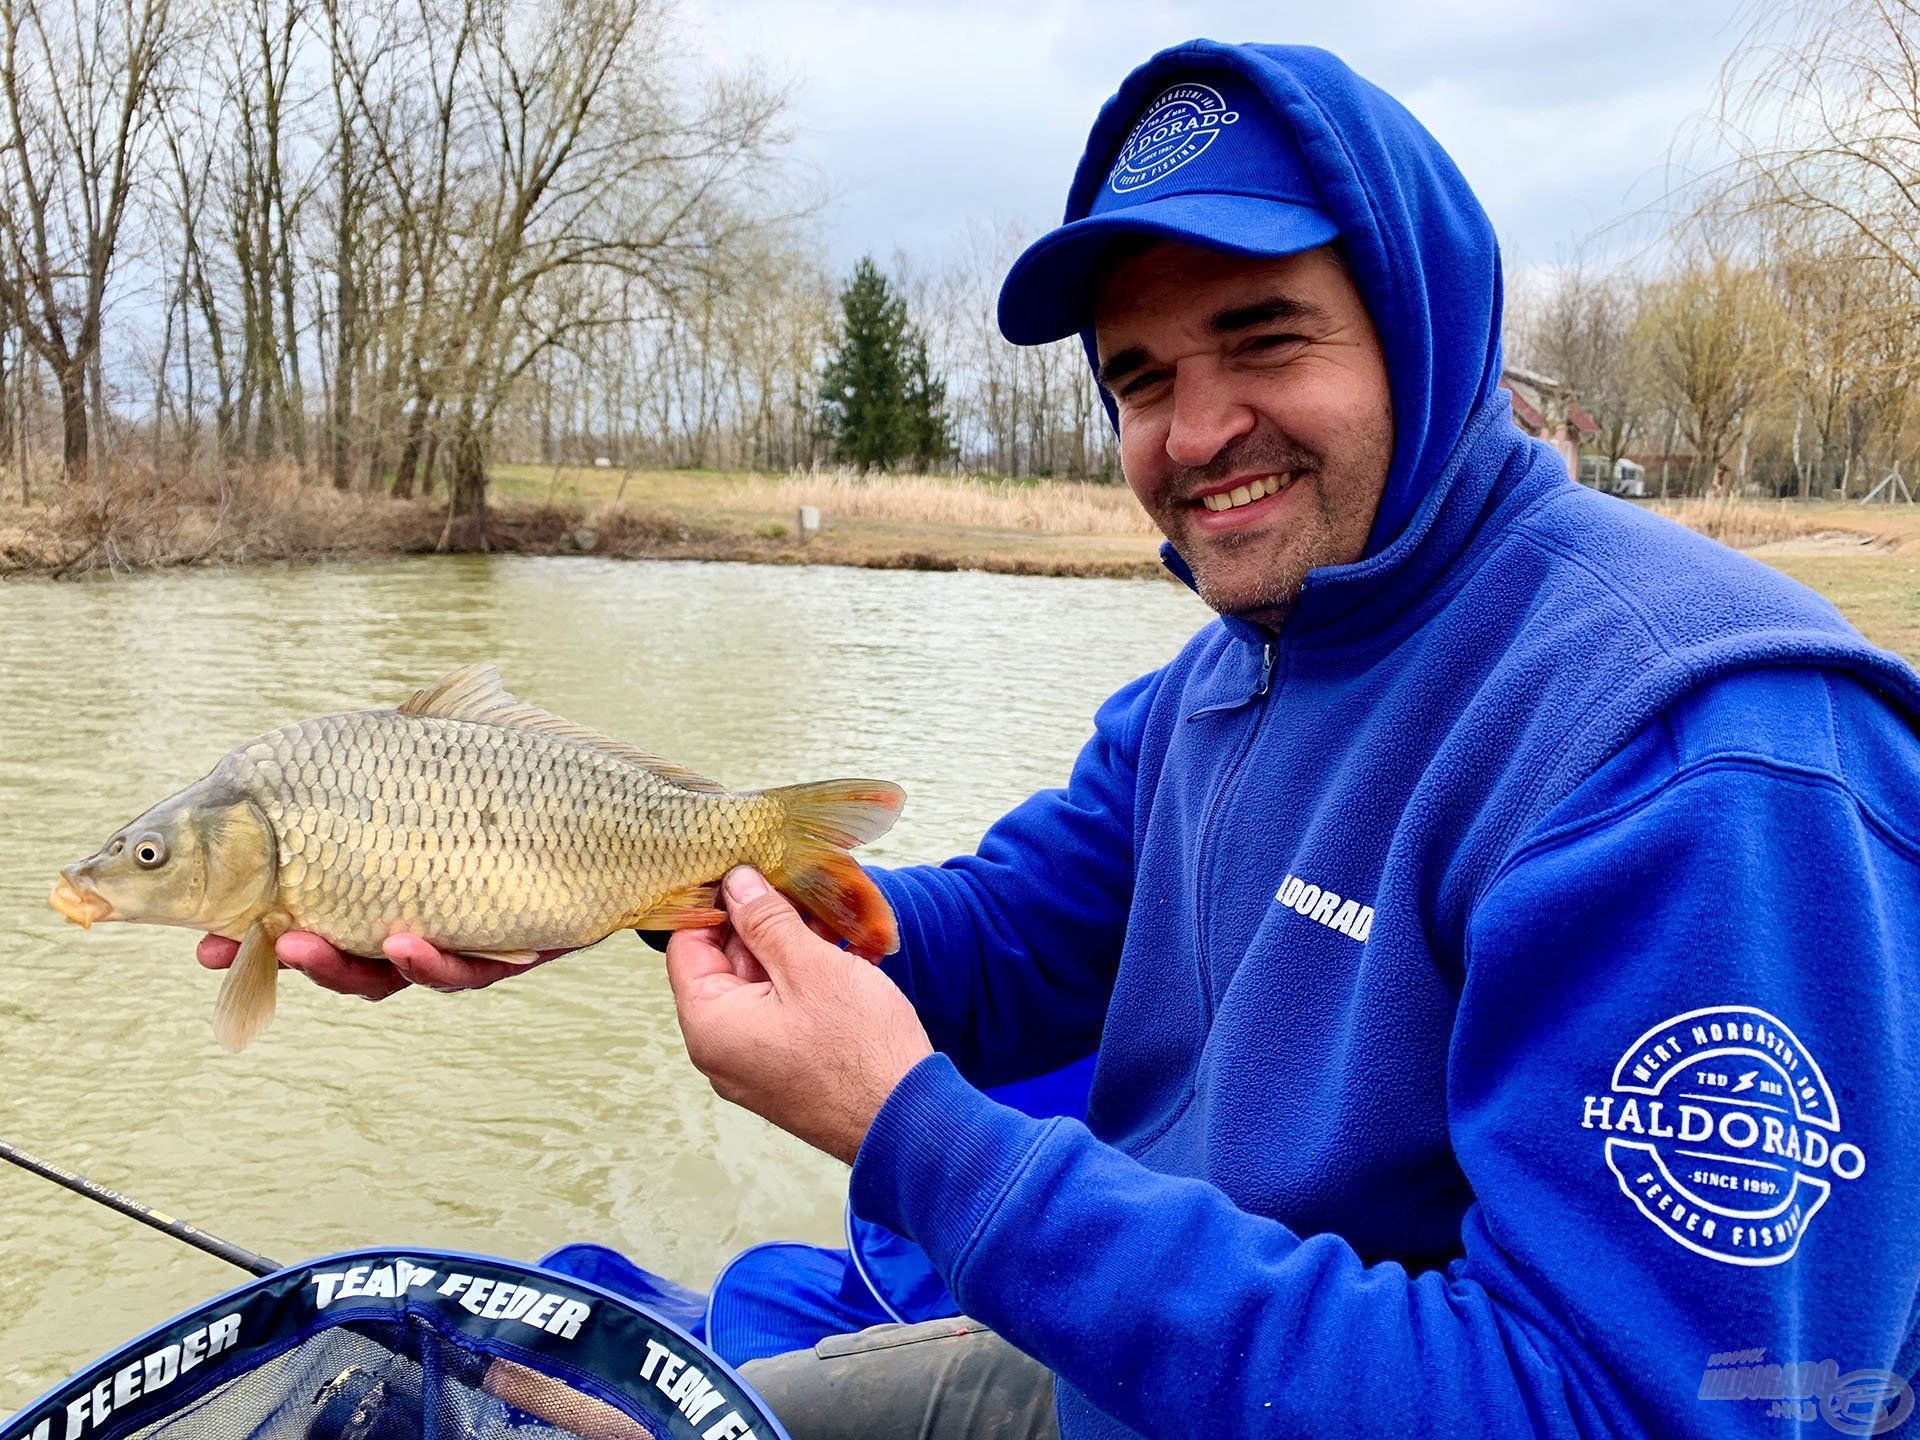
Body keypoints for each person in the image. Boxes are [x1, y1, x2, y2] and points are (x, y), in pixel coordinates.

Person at [200, 41, 1920, 1440]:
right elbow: (1013, 942)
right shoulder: (1237, 669)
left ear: (1426, 330)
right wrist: (609, 885)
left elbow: (1622, 1411)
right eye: (1139, 377)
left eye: (1263, 338)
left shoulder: (1702, 759)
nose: (1196, 431)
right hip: (1127, 1373)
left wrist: (916, 1138)